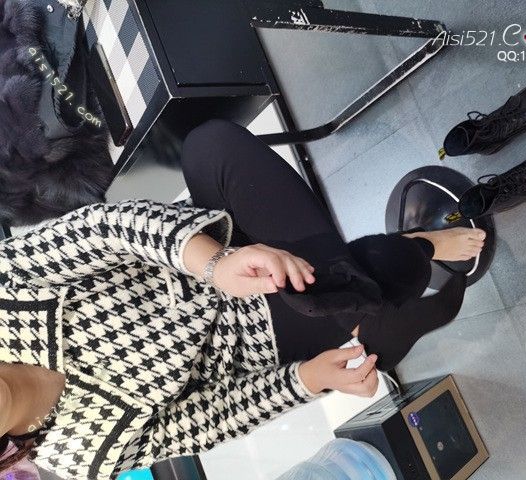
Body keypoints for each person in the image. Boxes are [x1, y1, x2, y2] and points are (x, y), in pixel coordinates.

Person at [0, 119, 485, 479]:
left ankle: (379, 291)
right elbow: (213, 418)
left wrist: (213, 263)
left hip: (208, 245)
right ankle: (406, 257)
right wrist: (307, 380)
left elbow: (103, 230)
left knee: (209, 145)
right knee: (351, 281)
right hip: (262, 335)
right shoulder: (81, 455)